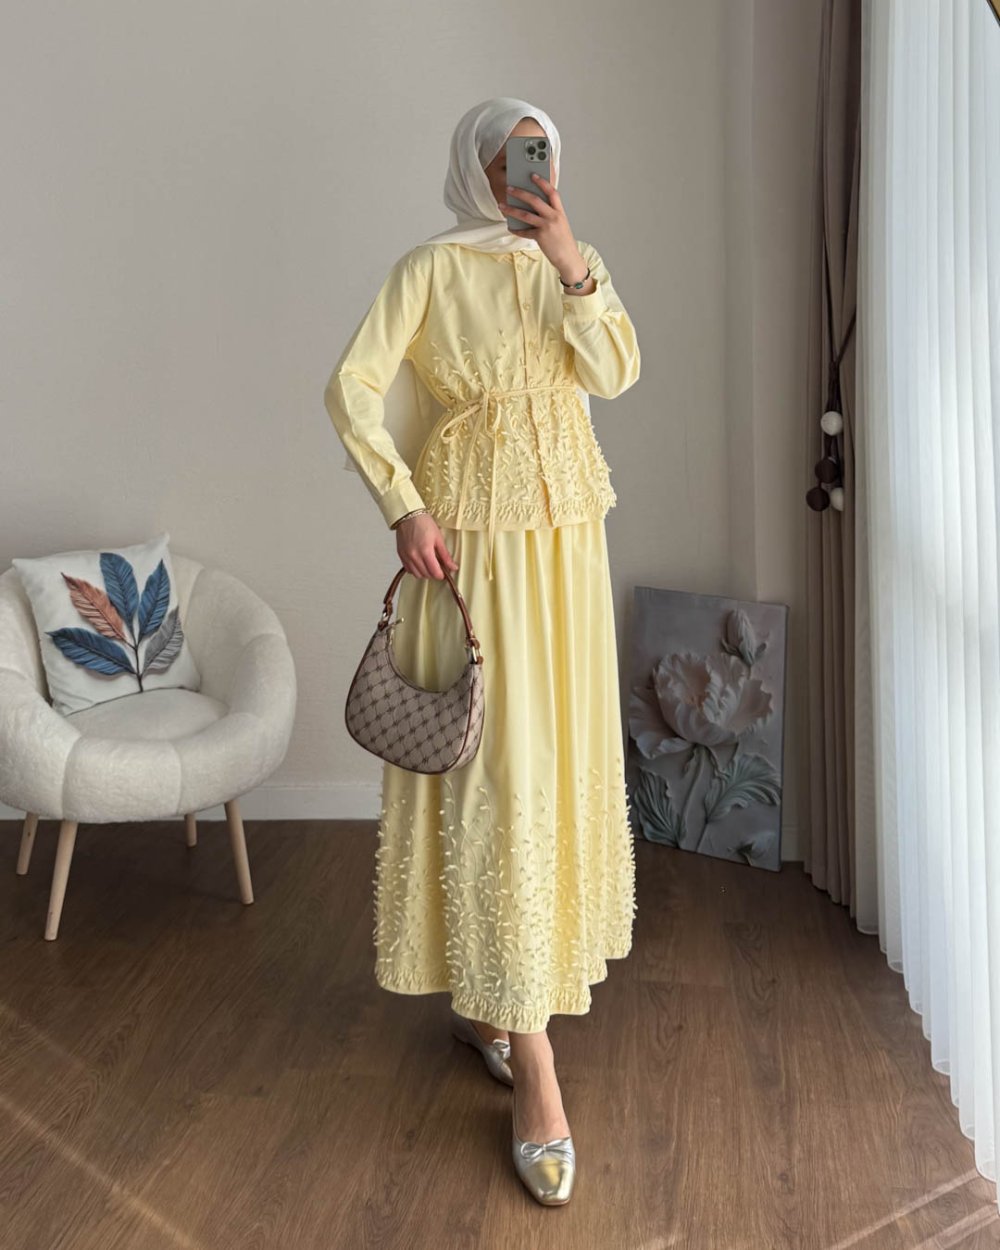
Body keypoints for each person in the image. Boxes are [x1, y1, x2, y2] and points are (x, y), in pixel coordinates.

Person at [324, 96, 641, 1207]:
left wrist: (568, 257)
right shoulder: (428, 267)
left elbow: (614, 373)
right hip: (473, 551)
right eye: (510, 161)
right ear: (477, 169)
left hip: (567, 551)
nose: (527, 176)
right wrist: (401, 503)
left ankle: (493, 1001)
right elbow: (351, 386)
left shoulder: (574, 262)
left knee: (549, 768)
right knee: (494, 772)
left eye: (541, 156)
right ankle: (534, 1061)